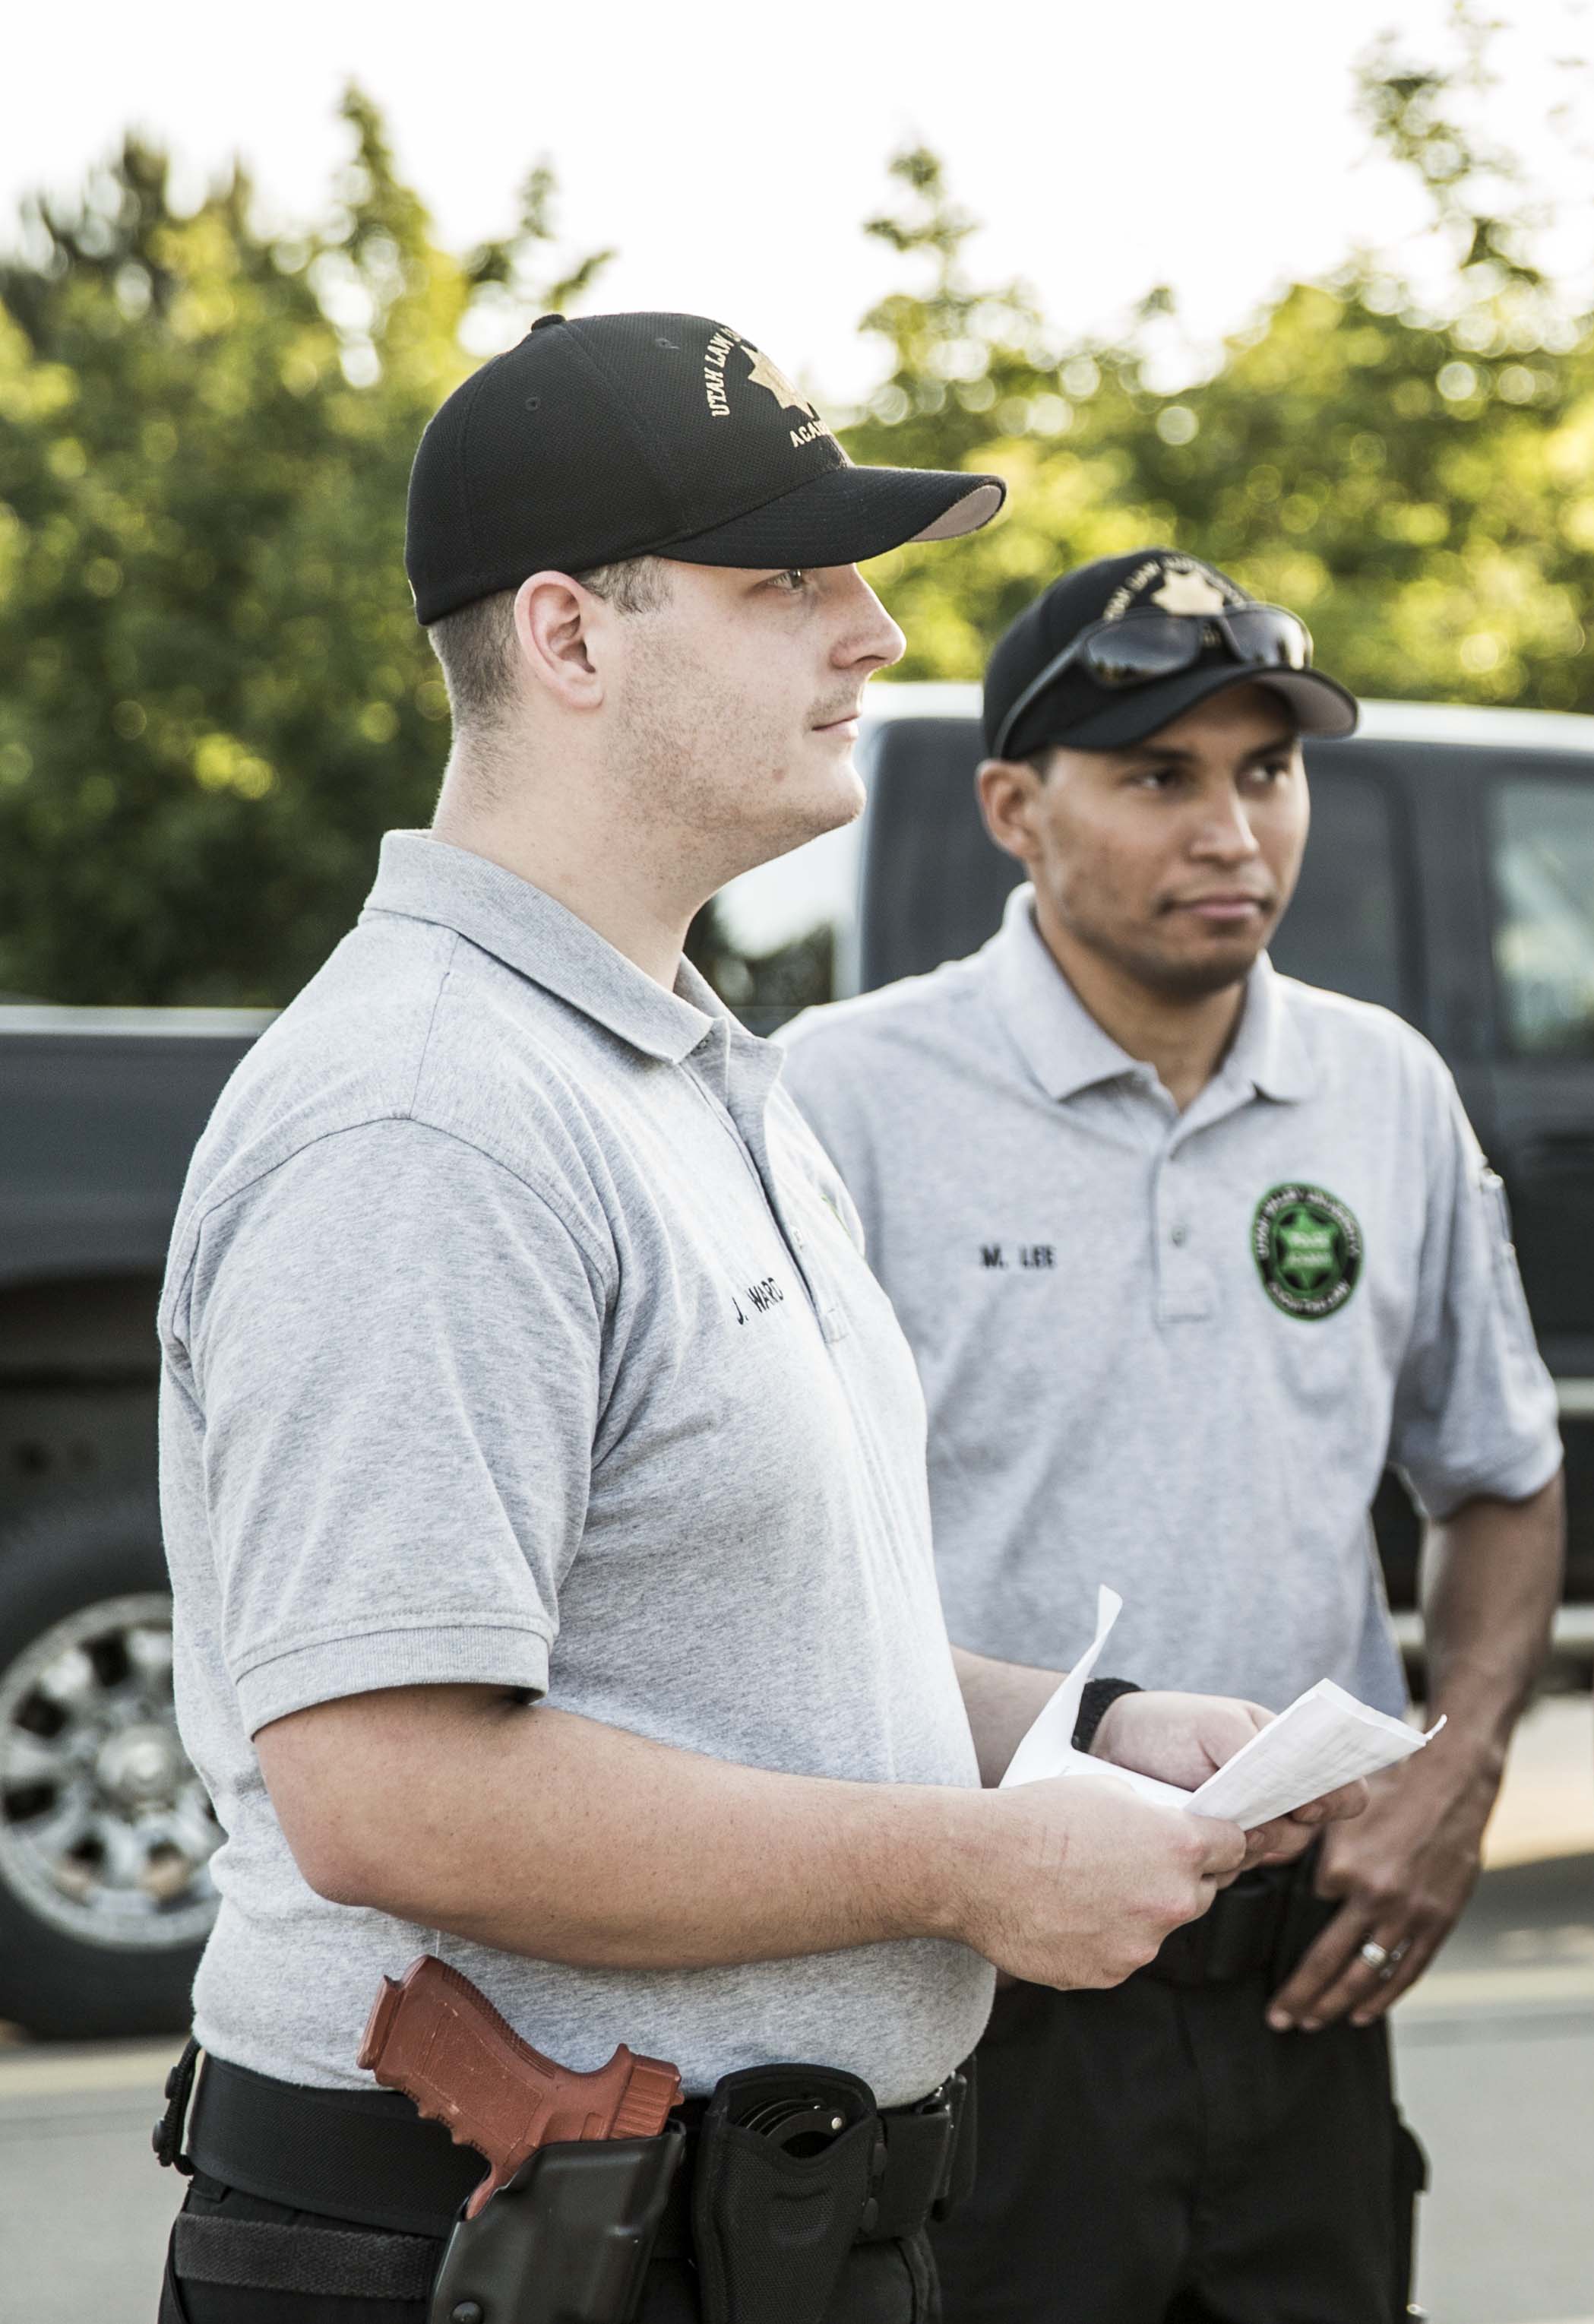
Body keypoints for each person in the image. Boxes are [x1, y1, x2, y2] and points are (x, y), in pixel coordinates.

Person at [149, 315, 1368, 2322]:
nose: (875, 632)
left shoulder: (688, 1070)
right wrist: (967, 1868)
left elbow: (745, 1640)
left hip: (727, 2231)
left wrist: (1087, 1735)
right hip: (495, 2239)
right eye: (788, 579)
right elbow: (384, 1786)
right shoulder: (430, 1110)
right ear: (567, 637)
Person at [778, 549, 1566, 2323]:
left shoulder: (1385, 1089)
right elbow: (774, 1569)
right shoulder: (841, 1097)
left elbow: (1502, 1470)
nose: (1233, 828)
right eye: (1158, 774)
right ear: (1013, 806)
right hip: (978, 1984)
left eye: (1266, 769)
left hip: (1296, 1992)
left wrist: (1456, 1773)